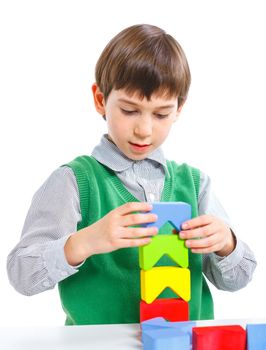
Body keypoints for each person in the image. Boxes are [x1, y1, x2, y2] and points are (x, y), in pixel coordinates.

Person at [7, 24, 256, 325]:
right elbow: (22, 275)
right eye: (129, 110)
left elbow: (238, 279)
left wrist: (226, 243)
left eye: (161, 114)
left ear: (179, 108)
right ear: (101, 100)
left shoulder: (195, 184)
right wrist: (85, 242)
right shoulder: (74, 182)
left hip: (181, 344)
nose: (144, 130)